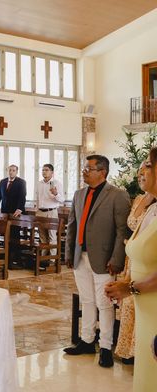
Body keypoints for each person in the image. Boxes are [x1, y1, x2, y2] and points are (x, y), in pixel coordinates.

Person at [64, 155, 130, 368]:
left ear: (102, 172)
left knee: (104, 303)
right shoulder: (79, 194)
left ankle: (106, 347)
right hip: (79, 256)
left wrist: (117, 259)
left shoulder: (117, 195)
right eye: (84, 168)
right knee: (87, 300)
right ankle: (86, 340)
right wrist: (68, 253)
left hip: (104, 259)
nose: (84, 171)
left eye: (88, 168)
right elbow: (71, 226)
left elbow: (122, 231)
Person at [105, 149, 157, 392]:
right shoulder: (152, 208)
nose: (142, 170)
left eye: (148, 165)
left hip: (155, 306)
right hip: (145, 305)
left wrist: (131, 287)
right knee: (147, 381)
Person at [115, 163, 155, 365]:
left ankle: (143, 350)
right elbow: (131, 225)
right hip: (133, 257)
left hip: (148, 258)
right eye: (139, 173)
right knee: (131, 303)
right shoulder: (141, 200)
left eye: (146, 171)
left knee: (140, 302)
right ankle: (132, 350)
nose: (141, 176)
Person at [35, 164, 65, 257]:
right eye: (43, 170)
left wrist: (56, 193)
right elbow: (37, 198)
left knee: (52, 235)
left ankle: (52, 259)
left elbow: (62, 200)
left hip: (51, 211)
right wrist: (36, 210)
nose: (44, 172)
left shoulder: (57, 183)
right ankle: (43, 257)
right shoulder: (39, 183)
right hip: (40, 212)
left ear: (52, 172)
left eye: (46, 170)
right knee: (42, 236)